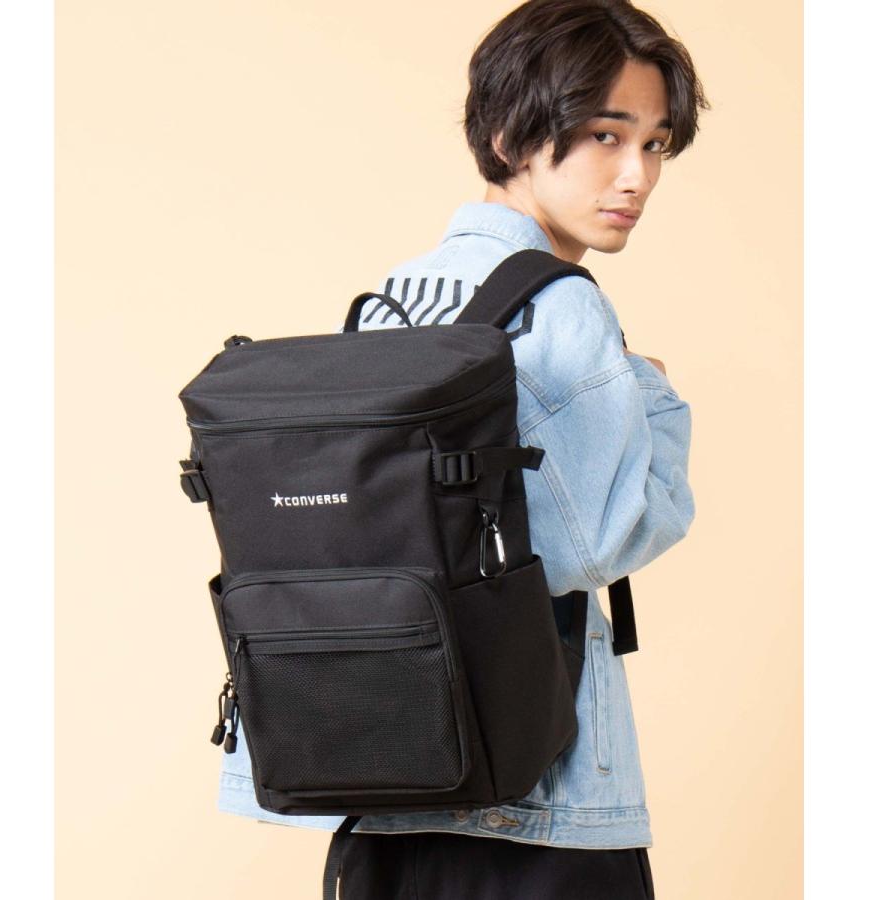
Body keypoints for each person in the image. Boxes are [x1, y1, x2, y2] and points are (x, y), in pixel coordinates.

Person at [218, 1, 708, 896]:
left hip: (380, 788)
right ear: (509, 132)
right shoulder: (562, 304)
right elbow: (599, 541)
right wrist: (654, 396)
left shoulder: (387, 302)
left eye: (656, 143)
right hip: (531, 805)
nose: (636, 175)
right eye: (605, 136)